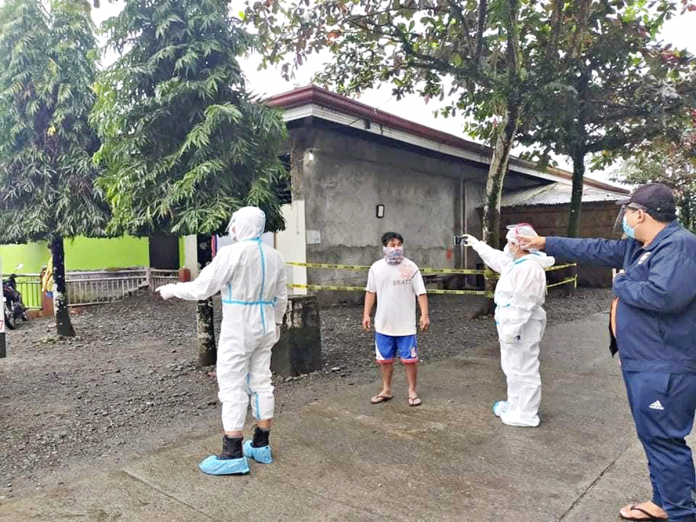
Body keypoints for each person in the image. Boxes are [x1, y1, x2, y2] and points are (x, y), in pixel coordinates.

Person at [518, 183, 696, 522]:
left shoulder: (680, 246)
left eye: (627, 211)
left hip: (665, 366)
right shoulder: (642, 245)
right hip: (644, 360)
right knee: (654, 437)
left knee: (664, 439)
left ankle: (682, 512)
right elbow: (594, 248)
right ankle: (666, 501)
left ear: (640, 213)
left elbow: (665, 297)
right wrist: (544, 242)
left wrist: (622, 282)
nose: (625, 218)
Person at [156, 207, 288, 476]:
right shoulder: (275, 256)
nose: (233, 229)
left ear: (240, 225)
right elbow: (282, 294)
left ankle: (232, 452)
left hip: (239, 324)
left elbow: (203, 287)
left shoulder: (232, 253)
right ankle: (261, 444)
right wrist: (276, 322)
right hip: (265, 323)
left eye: (235, 224)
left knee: (231, 384)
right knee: (262, 381)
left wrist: (172, 290)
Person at [461, 223, 555, 428]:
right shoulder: (517, 263)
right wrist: (476, 244)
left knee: (525, 368)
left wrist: (511, 330)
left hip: (523, 325)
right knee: (512, 367)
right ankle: (515, 405)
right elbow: (496, 258)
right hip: (511, 324)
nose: (508, 246)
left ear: (521, 244)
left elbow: (524, 303)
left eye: (511, 242)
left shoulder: (529, 268)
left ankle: (527, 413)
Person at [362, 232, 429, 407]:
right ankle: (386, 389)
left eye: (399, 244)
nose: (396, 248)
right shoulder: (376, 268)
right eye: (392, 245)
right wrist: (366, 314)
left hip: (406, 325)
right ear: (384, 247)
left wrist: (424, 314)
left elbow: (420, 292)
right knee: (385, 360)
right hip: (383, 324)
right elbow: (371, 292)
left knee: (409, 360)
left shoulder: (411, 267)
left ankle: (412, 391)